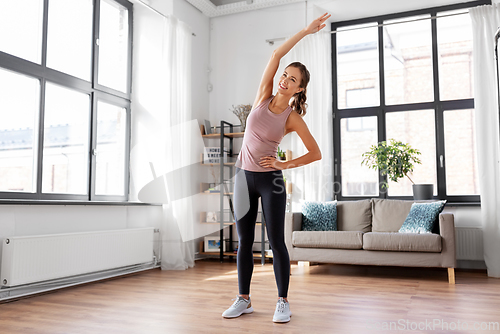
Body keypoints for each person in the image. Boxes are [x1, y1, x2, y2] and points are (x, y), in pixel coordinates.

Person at [221, 13, 330, 323]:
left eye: (292, 80)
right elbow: (276, 53)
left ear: (298, 90)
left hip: (271, 181)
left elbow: (316, 153)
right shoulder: (262, 96)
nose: (285, 80)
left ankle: (283, 301)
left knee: (277, 242)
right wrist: (306, 32)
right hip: (243, 177)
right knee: (244, 242)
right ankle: (244, 299)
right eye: (286, 75)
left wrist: (285, 163)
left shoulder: (292, 118)